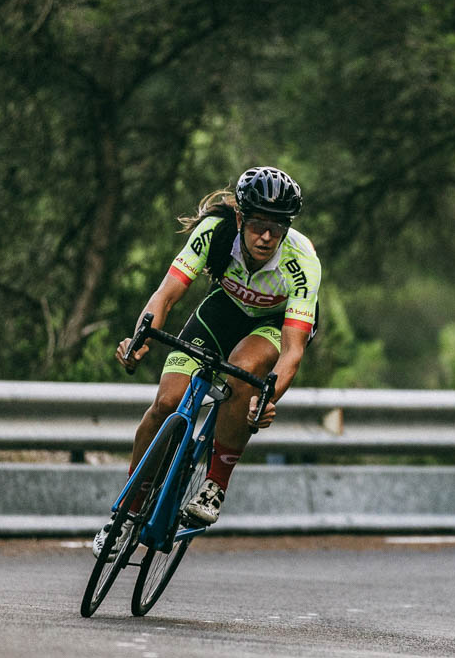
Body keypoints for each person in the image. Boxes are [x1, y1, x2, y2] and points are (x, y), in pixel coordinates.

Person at [93, 166, 320, 556]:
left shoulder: (302, 262)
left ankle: (215, 483)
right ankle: (126, 512)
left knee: (243, 369)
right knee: (166, 403)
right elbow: (166, 295)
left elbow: (292, 350)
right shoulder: (214, 232)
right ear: (240, 219)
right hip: (224, 310)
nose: (266, 237)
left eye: (277, 227)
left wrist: (267, 399)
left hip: (272, 324)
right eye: (258, 225)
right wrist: (139, 340)